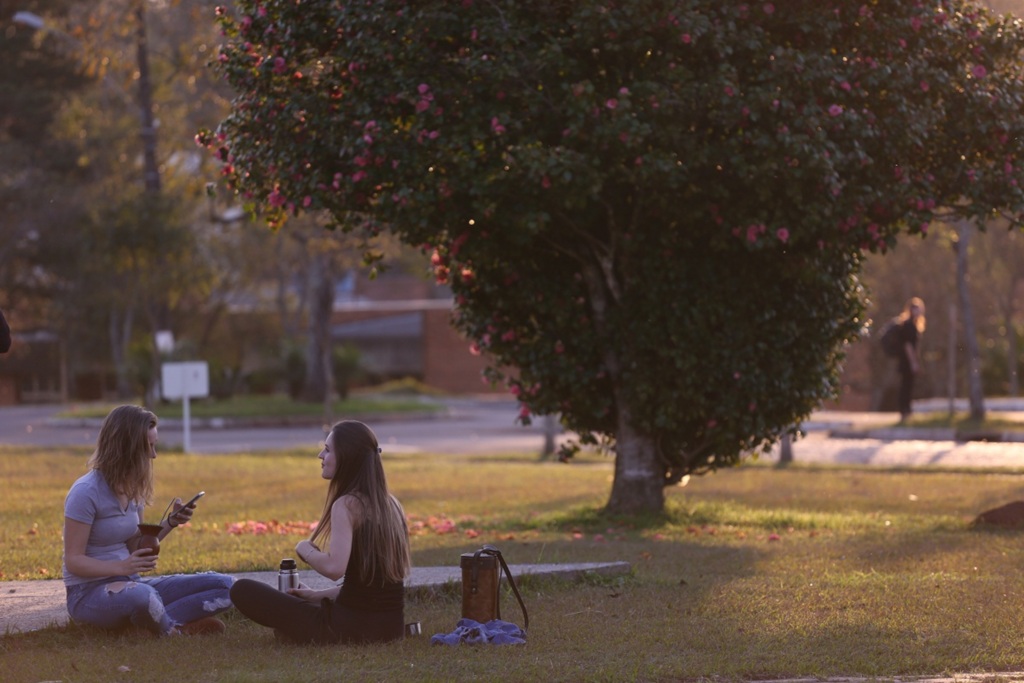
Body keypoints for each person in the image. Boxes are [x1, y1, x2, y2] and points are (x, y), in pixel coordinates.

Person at [230, 420, 411, 644]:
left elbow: (334, 568)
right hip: (391, 630)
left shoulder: (347, 505)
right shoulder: (392, 505)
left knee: (242, 589)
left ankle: (297, 633)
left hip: (347, 629)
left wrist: (304, 549)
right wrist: (316, 596)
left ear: (346, 457)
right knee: (293, 605)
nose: (320, 455)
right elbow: (370, 589)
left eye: (327, 450)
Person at [63, 405, 234, 636]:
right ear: (126, 448)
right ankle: (172, 630)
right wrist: (121, 566)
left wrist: (171, 522)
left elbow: (136, 544)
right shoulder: (85, 492)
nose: (154, 455)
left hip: (132, 582)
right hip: (89, 593)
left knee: (229, 586)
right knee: (144, 597)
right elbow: (73, 561)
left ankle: (147, 624)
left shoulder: (133, 487)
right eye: (149, 447)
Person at [894, 297, 926, 423]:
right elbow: (907, 345)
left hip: (909, 360)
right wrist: (913, 362)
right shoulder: (908, 325)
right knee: (905, 385)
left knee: (908, 385)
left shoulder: (915, 324)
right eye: (914, 308)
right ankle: (904, 410)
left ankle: (907, 409)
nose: (917, 311)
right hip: (906, 360)